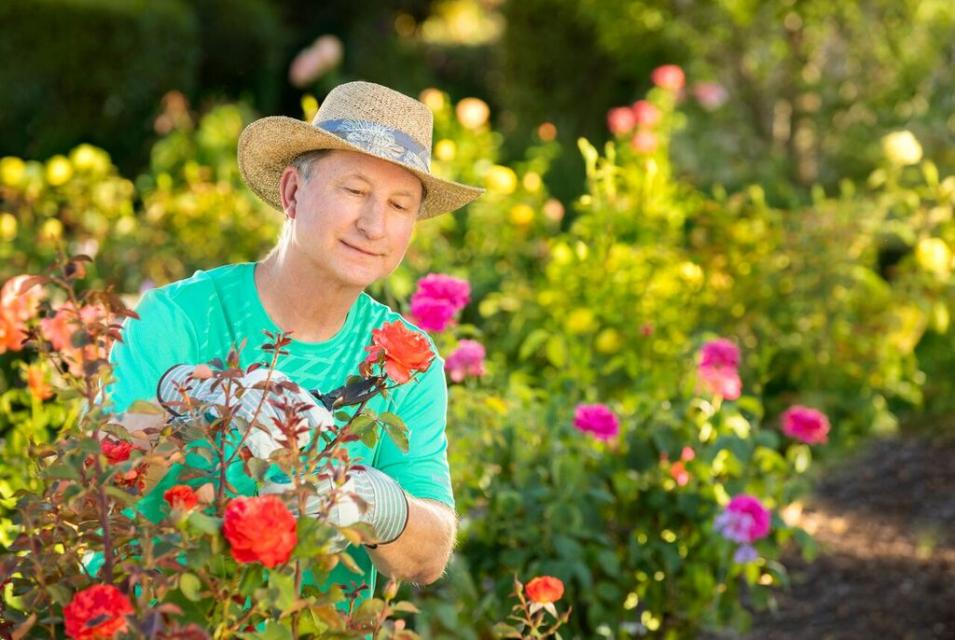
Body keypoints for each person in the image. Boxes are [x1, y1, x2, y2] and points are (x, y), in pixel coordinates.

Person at [105, 81, 484, 604]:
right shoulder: (176, 318)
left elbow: (429, 555)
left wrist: (368, 499)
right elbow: (103, 481)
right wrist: (199, 401)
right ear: (292, 192)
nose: (374, 225)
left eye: (400, 205)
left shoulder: (406, 359)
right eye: (354, 191)